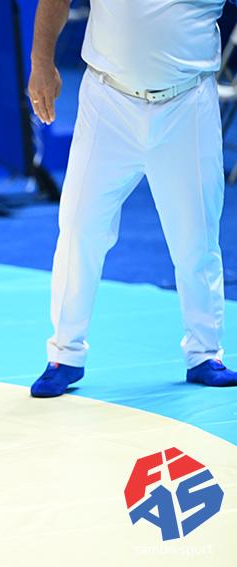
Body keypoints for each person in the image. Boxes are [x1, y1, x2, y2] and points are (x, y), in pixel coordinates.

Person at [27, 0, 237, 397]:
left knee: (197, 234)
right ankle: (65, 354)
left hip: (190, 100)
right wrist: (41, 63)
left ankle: (205, 353)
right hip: (107, 99)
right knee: (79, 227)